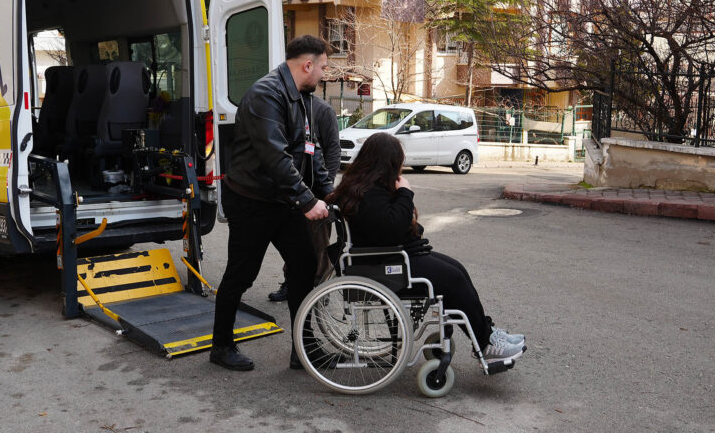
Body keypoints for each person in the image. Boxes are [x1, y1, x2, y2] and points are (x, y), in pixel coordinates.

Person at [326, 132, 526, 364]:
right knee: (453, 279)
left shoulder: (364, 188)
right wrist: (405, 193)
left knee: (457, 270)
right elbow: (392, 226)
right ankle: (485, 342)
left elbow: (388, 226)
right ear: (387, 163)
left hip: (393, 257)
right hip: (388, 264)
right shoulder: (369, 194)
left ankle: (486, 335)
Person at [210, 35, 331, 372]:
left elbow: (311, 150)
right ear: (307, 65)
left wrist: (329, 194)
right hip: (252, 199)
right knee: (242, 273)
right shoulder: (266, 95)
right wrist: (307, 201)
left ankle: (303, 349)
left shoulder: (302, 96)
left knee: (304, 266)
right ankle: (221, 346)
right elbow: (275, 157)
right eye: (322, 67)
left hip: (282, 199)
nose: (323, 74)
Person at [268, 94, 340, 301]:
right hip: (292, 190)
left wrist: (326, 189)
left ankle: (319, 288)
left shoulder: (322, 110)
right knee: (295, 242)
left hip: (317, 191)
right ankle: (292, 283)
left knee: (319, 244)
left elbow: (333, 150)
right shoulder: (285, 106)